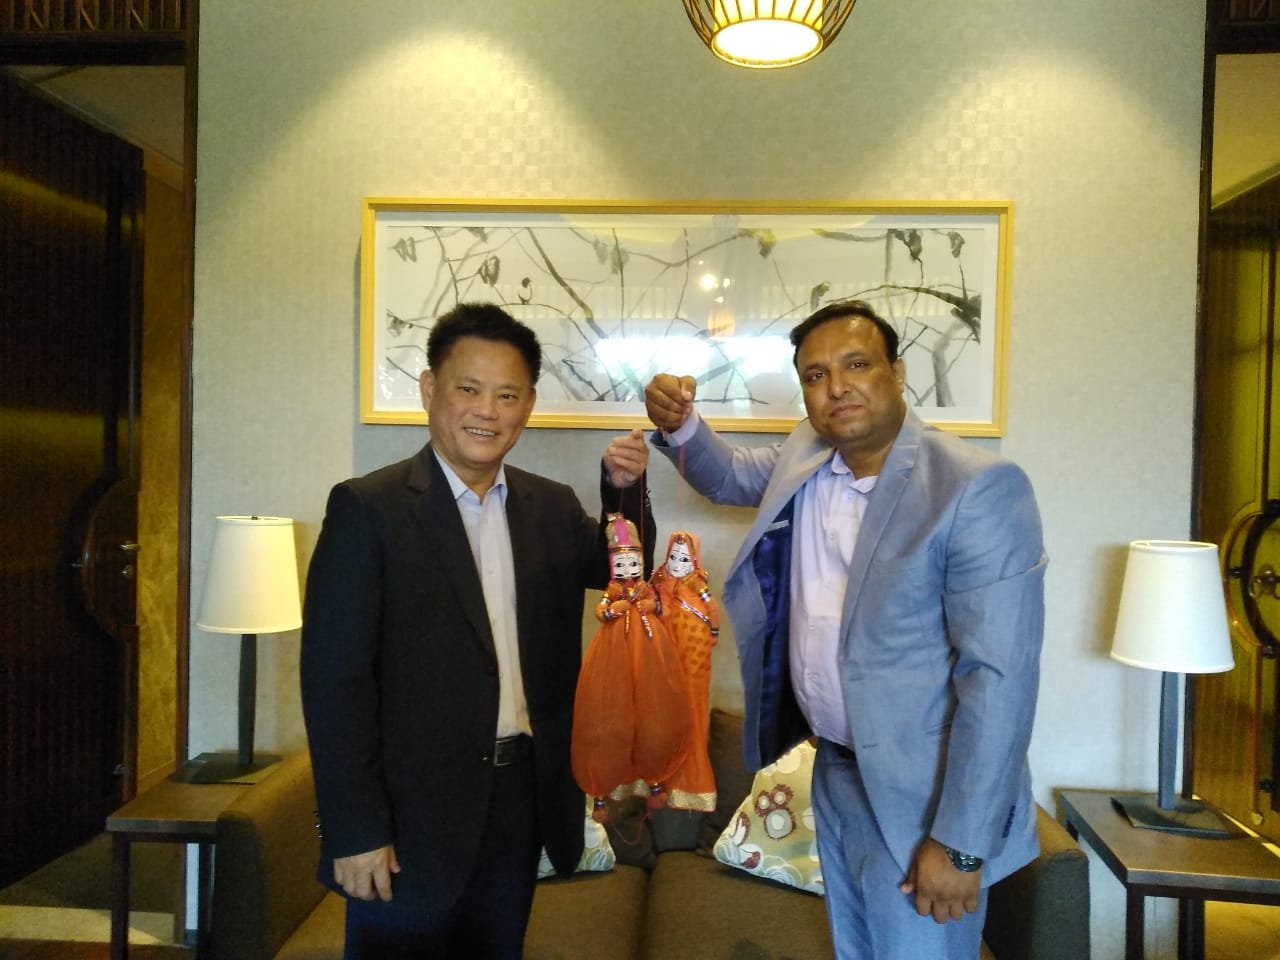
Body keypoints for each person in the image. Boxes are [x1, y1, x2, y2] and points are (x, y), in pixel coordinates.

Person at [643, 300, 1046, 960]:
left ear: (898, 372)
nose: (836, 387)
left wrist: (961, 844)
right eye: (815, 374)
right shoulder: (807, 454)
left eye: (856, 365)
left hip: (924, 795)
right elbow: (728, 475)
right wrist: (681, 424)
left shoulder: (973, 487)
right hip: (834, 769)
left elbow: (1001, 677)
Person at [300, 302, 654, 960]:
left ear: (528, 405)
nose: (487, 411)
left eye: (507, 395)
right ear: (430, 389)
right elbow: (334, 684)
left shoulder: (549, 506)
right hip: (408, 814)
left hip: (519, 799)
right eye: (468, 388)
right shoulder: (368, 510)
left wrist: (622, 491)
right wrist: (355, 828)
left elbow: (618, 571)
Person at [570, 515, 692, 818]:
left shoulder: (646, 589)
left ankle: (655, 778)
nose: (629, 569)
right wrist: (614, 610)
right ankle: (602, 789)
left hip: (650, 648)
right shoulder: (614, 590)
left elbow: (663, 608)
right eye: (622, 565)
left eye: (634, 563)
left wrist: (653, 605)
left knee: (654, 703)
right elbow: (601, 611)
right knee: (611, 706)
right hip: (614, 649)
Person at [649, 530, 720, 812]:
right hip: (660, 664)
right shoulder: (657, 585)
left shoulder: (699, 589)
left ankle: (688, 781)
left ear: (695, 561)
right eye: (673, 558)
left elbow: (712, 616)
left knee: (689, 711)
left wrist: (710, 633)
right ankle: (652, 779)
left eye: (685, 559)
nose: (678, 564)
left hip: (693, 664)